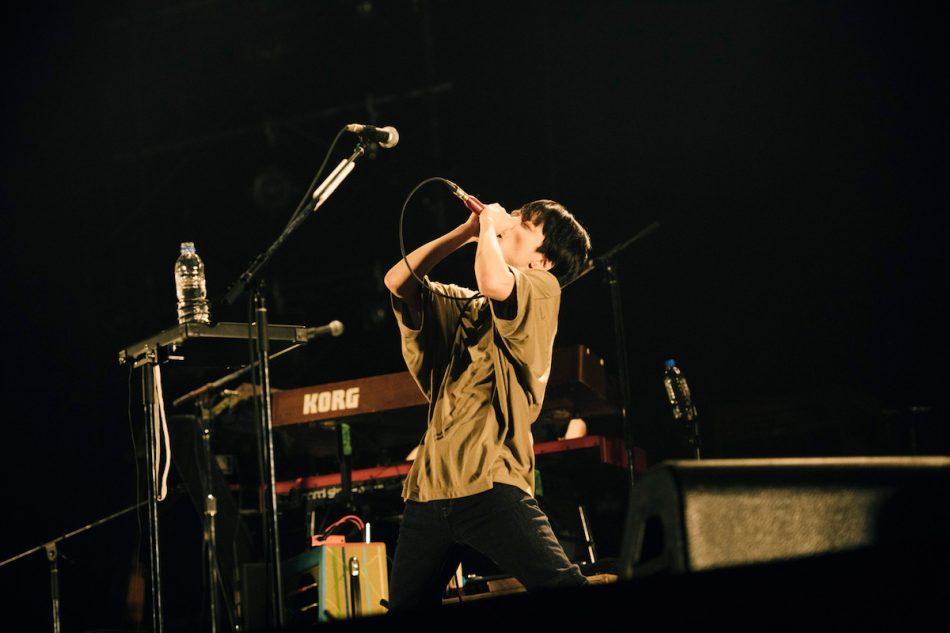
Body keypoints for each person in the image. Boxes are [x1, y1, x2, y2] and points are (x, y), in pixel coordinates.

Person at [382, 196, 592, 610]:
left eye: (524, 225)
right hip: (430, 487)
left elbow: (494, 281)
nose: (511, 222)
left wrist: (491, 230)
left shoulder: (543, 289)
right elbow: (398, 281)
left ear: (542, 261)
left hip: (490, 479)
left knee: (560, 583)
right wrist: (465, 233)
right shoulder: (470, 306)